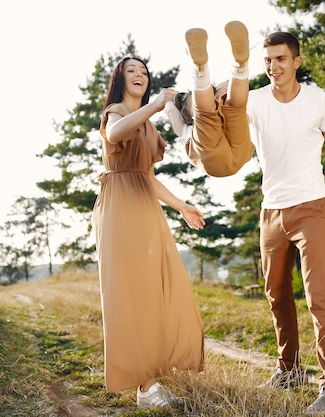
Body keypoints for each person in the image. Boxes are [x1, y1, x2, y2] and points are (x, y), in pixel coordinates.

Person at [246, 32, 325, 415]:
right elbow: (221, 106)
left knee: (319, 297)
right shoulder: (254, 101)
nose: (273, 67)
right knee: (277, 296)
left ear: (297, 61)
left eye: (280, 59)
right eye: (267, 60)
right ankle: (289, 370)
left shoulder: (318, 100)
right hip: (271, 212)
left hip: (312, 209)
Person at [92, 56, 206, 409]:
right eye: (132, 71)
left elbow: (147, 177)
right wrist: (156, 105)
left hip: (145, 207)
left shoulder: (149, 127)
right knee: (131, 295)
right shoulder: (116, 111)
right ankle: (146, 387)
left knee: (153, 292)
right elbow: (114, 134)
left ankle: (151, 383)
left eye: (143, 71)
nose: (139, 75)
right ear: (120, 79)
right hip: (119, 209)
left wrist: (182, 206)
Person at [164, 21, 254, 177]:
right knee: (235, 108)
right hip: (241, 149)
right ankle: (240, 66)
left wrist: (168, 102)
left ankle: (201, 70)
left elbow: (172, 111)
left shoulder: (186, 131)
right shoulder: (196, 124)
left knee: (206, 113)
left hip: (213, 161)